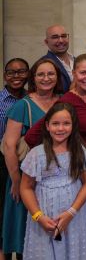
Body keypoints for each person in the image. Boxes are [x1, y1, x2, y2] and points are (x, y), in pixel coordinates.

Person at [20, 102, 86, 259]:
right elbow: (26, 188)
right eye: (55, 123)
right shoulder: (36, 154)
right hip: (44, 218)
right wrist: (38, 216)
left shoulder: (80, 151)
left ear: (73, 126)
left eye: (66, 123)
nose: (60, 128)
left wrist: (71, 212)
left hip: (75, 216)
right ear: (47, 126)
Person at [2, 58, 62, 257]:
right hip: (26, 178)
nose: (46, 78)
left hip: (55, 177)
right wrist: (16, 180)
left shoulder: (63, 102)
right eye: (41, 74)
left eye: (50, 74)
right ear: (33, 78)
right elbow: (10, 146)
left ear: (57, 77)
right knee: (24, 230)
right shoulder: (22, 105)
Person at [25, 54, 86, 149]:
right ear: (74, 74)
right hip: (78, 160)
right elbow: (31, 137)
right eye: (83, 73)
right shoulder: (67, 101)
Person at [0, 58, 29, 259]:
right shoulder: (0, 101)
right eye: (11, 72)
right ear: (4, 76)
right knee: (2, 210)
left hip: (25, 161)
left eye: (21, 72)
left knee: (20, 211)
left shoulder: (31, 99)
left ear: (28, 74)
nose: (16, 76)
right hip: (2, 162)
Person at [41, 24, 74, 92]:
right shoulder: (42, 64)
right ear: (46, 42)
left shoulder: (76, 60)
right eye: (55, 37)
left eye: (64, 36)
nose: (61, 40)